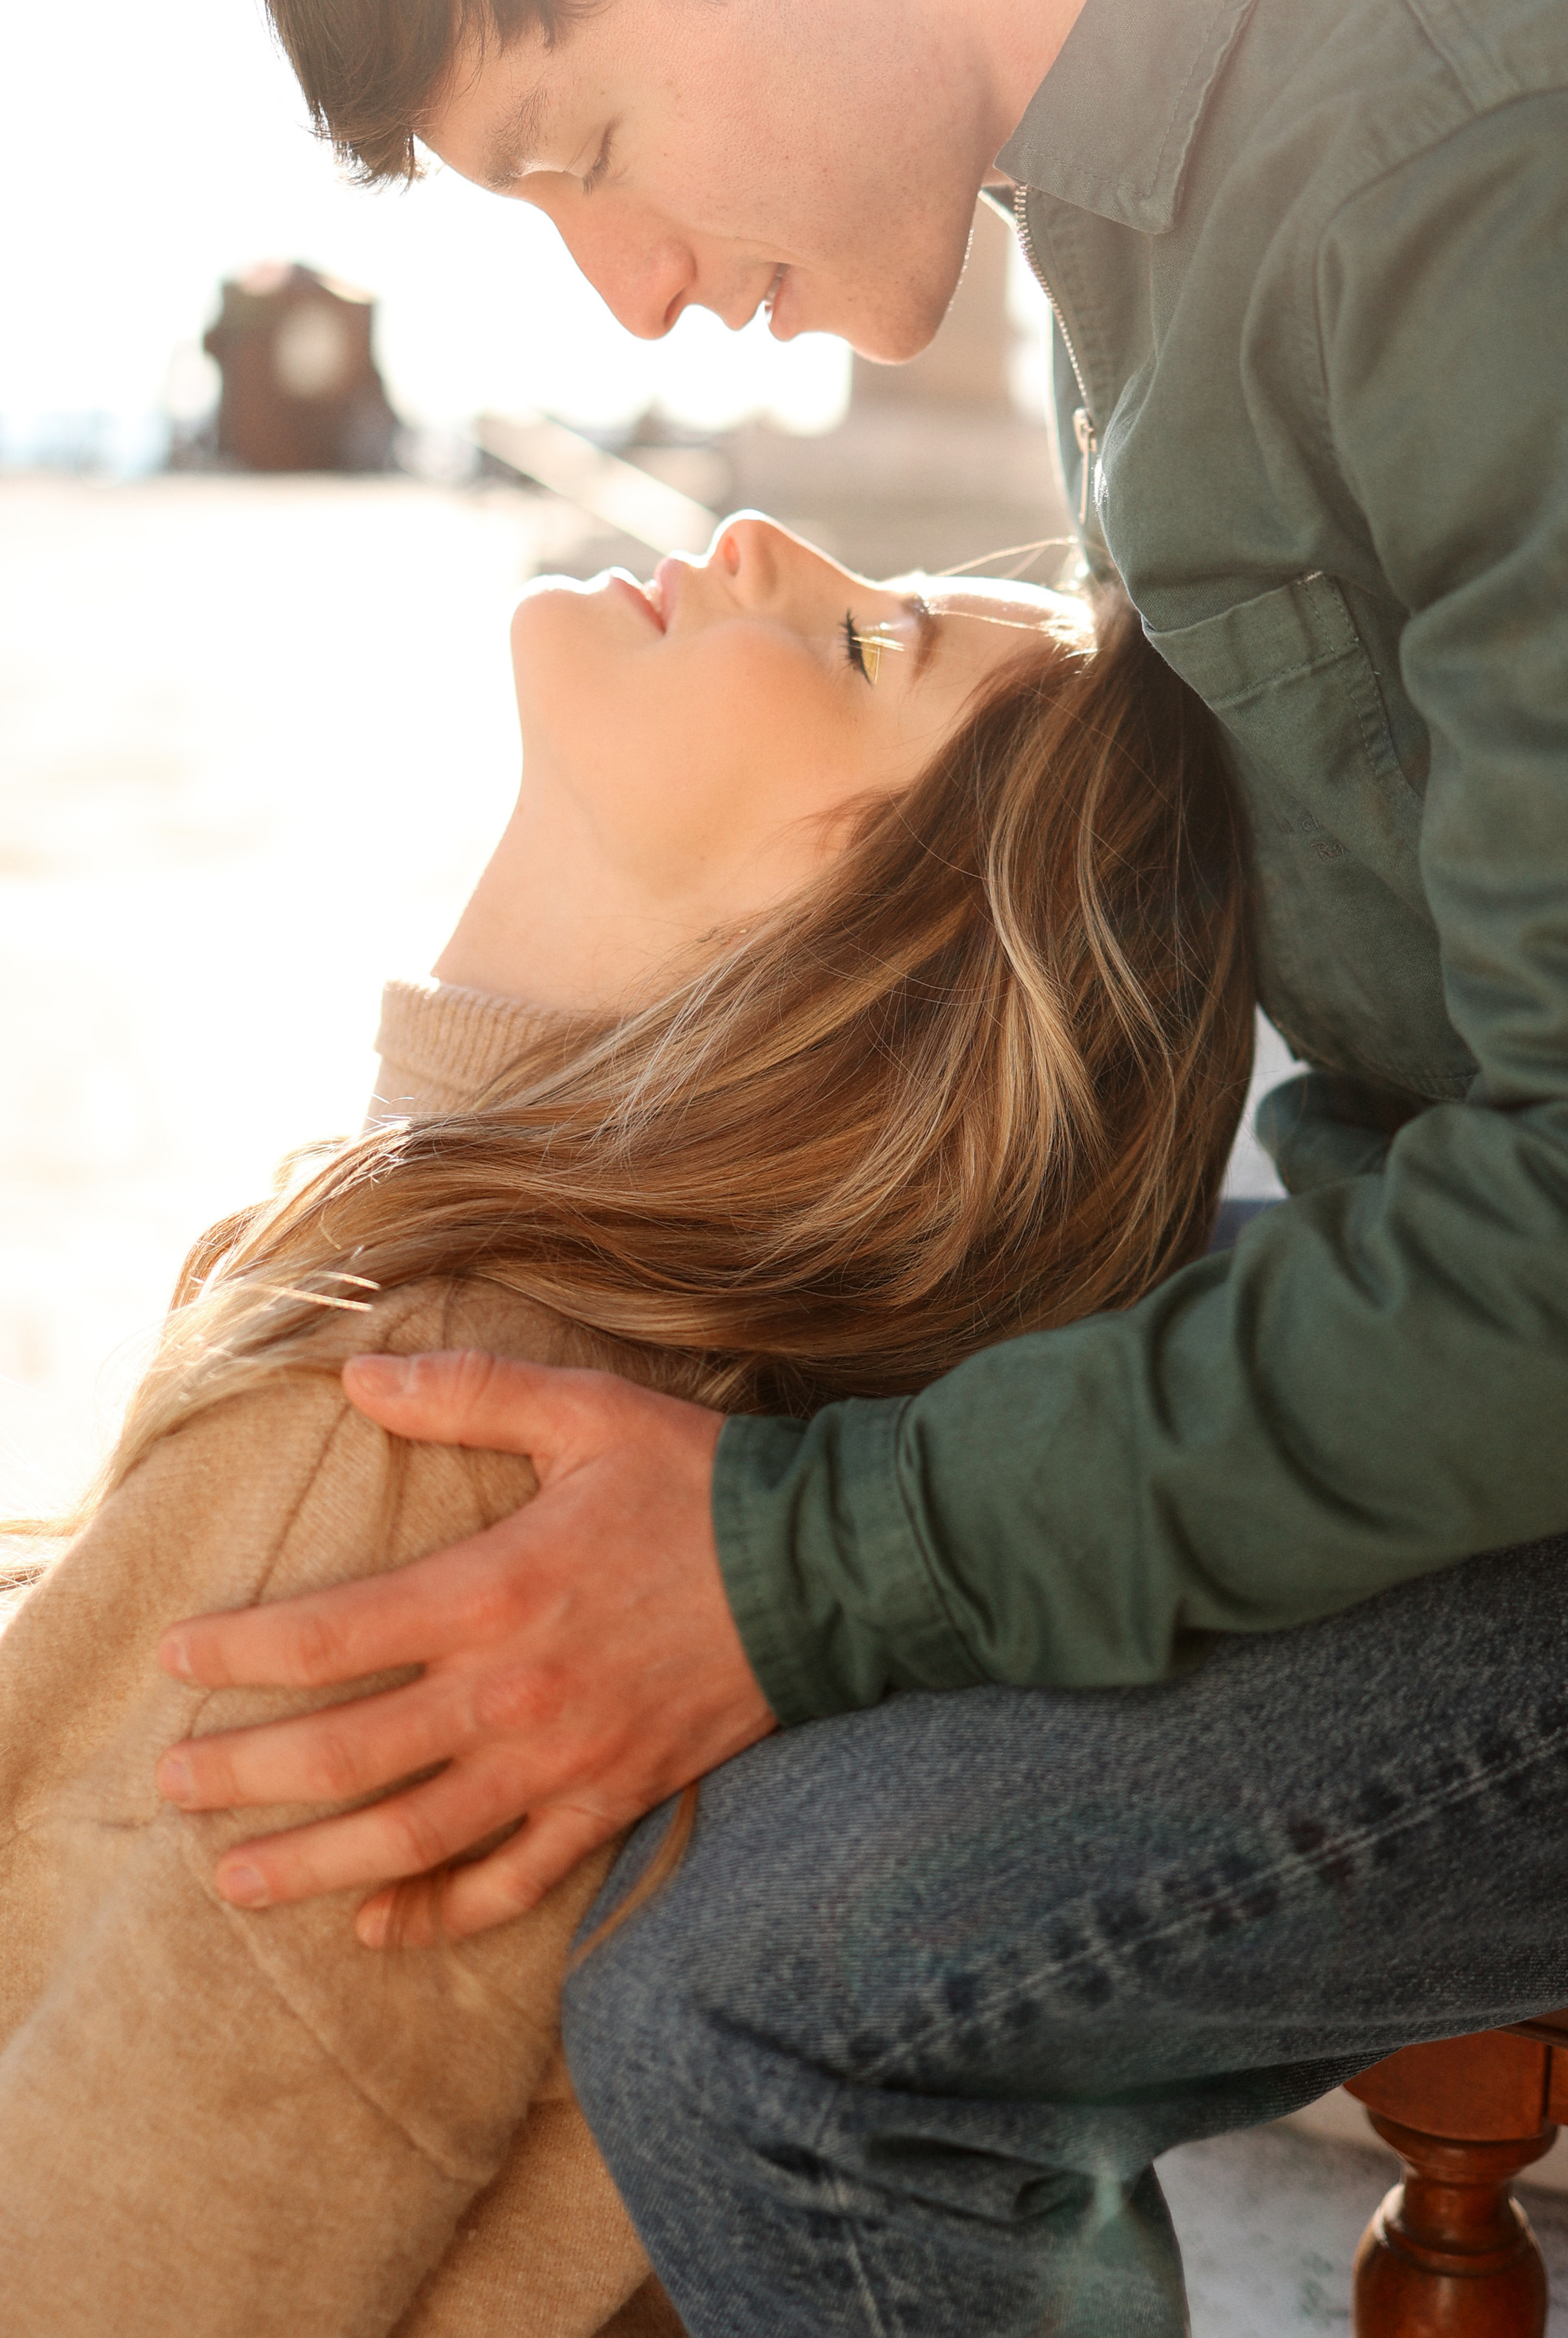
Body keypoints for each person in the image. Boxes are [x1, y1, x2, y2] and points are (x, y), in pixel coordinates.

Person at [162, 0, 1568, 2335]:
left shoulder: (1515, 170)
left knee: (781, 2006)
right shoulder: (1195, 179)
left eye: (593, 138)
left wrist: (804, 1563)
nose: (629, 294)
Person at [0, 522, 1253, 2335]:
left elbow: (164, 2224)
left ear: (869, 951)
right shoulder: (490, 1316)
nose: (762, 539)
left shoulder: (438, 1415)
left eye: (865, 646)